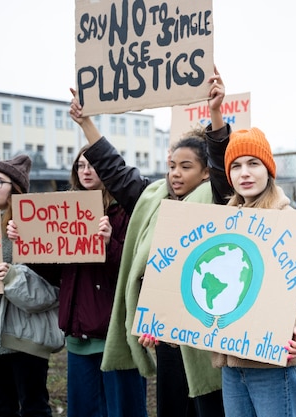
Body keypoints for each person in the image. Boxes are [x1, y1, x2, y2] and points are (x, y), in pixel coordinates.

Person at [68, 69, 231, 417]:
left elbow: (222, 165)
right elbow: (114, 170)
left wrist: (216, 114)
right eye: (171, 165)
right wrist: (87, 124)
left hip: (207, 335)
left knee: (208, 408)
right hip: (168, 336)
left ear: (205, 173)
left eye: (185, 166)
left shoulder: (218, 198)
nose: (174, 173)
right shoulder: (154, 198)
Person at [7, 146, 146, 417]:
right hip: (78, 334)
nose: (86, 171)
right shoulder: (64, 211)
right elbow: (59, 275)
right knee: (83, 410)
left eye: (92, 165)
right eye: (80, 166)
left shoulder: (127, 212)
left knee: (122, 410)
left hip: (114, 334)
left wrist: (109, 246)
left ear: (108, 170)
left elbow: (137, 272)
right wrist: (27, 245)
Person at [210, 127, 296, 417]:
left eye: (253, 163)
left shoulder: (289, 223)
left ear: (269, 169)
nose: (244, 173)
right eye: (236, 166)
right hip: (231, 364)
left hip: (272, 366)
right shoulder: (221, 223)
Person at [0, 154, 65, 417]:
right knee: (1, 408)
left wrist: (13, 276)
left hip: (24, 338)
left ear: (16, 188)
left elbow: (51, 291)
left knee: (33, 408)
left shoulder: (33, 228)